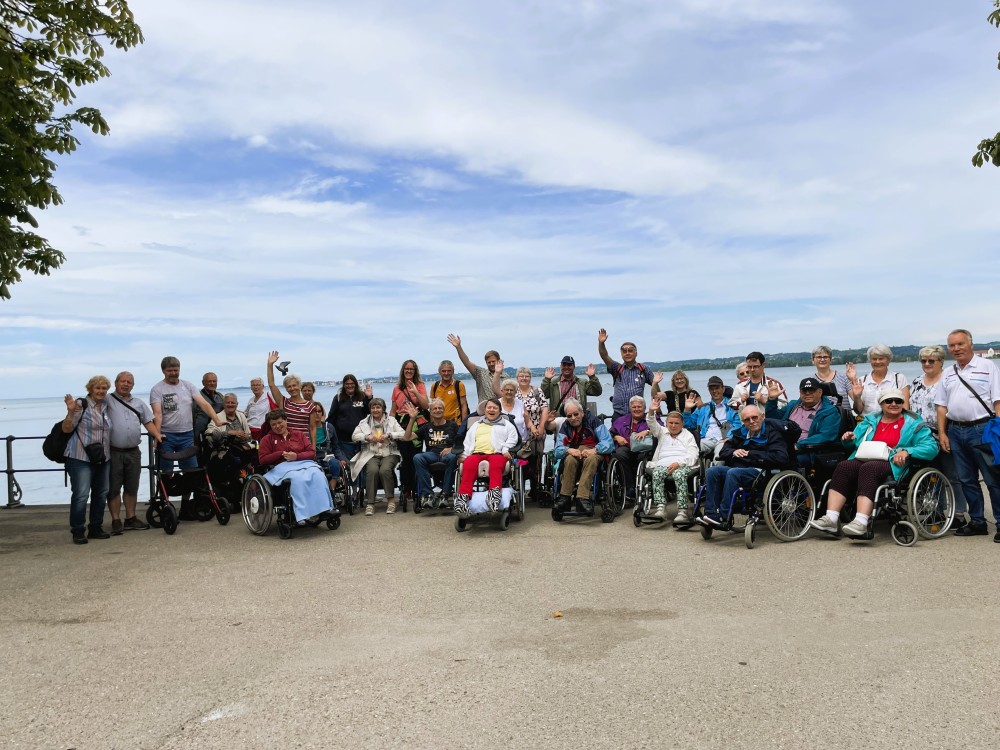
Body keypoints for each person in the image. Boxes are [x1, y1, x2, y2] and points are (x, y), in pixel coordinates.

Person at [811, 389, 939, 538]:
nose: (893, 404)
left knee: (869, 468)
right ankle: (831, 519)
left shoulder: (913, 422)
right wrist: (849, 438)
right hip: (865, 456)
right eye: (888, 401)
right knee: (844, 466)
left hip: (892, 462)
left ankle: (861, 521)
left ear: (903, 404)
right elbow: (854, 442)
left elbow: (931, 447)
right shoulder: (870, 420)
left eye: (898, 401)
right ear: (881, 404)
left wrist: (907, 451)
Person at [935, 329, 1000, 540]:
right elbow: (942, 406)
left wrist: (998, 428)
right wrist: (943, 432)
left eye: (960, 344)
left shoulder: (987, 367)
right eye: (952, 346)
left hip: (982, 429)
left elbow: (998, 401)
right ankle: (978, 522)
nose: (956, 349)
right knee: (966, 479)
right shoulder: (948, 372)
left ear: (970, 344)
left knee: (993, 479)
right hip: (955, 430)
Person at [698, 404, 789, 528]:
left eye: (754, 417)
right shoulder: (740, 433)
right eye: (747, 419)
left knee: (733, 473)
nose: (751, 422)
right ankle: (711, 514)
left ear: (762, 417)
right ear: (743, 421)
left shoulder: (773, 434)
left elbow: (781, 457)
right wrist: (733, 452)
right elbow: (724, 450)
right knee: (713, 471)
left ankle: (724, 517)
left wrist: (751, 454)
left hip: (761, 471)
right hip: (739, 469)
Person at [909, 345, 968, 528]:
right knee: (930, 476)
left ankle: (958, 513)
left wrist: (944, 432)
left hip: (945, 433)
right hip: (922, 437)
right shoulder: (917, 381)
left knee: (951, 473)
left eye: (931, 360)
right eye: (924, 360)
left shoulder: (948, 380)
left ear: (941, 361)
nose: (927, 364)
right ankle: (937, 510)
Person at [105, 371, 161, 534]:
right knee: (113, 488)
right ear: (115, 383)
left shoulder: (138, 403)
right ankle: (116, 520)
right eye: (122, 381)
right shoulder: (107, 400)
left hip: (133, 452)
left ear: (133, 385)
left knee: (131, 487)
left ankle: (130, 518)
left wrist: (157, 435)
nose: (126, 384)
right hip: (113, 451)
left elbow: (148, 422)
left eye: (129, 382)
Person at [256, 409, 335, 523]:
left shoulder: (298, 434)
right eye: (274, 424)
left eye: (280, 422)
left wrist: (296, 456)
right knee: (298, 479)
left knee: (317, 474)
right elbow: (262, 459)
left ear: (286, 421)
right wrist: (280, 454)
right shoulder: (267, 439)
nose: (277, 426)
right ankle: (303, 515)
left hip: (303, 463)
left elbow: (311, 452)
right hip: (282, 467)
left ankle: (324, 509)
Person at [61, 376, 113, 544]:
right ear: (90, 389)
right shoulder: (80, 405)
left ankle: (95, 527)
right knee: (81, 494)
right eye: (98, 388)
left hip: (102, 456)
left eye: (104, 388)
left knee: (101, 493)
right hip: (80, 457)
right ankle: (78, 530)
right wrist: (70, 412)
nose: (101, 391)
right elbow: (67, 428)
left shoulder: (105, 405)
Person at [150, 356, 225, 472]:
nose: (173, 373)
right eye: (170, 371)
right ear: (163, 371)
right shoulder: (157, 389)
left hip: (186, 435)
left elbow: (204, 404)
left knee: (191, 471)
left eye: (176, 370)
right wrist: (157, 435)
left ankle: (187, 490)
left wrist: (216, 420)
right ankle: (168, 489)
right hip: (166, 435)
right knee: (166, 472)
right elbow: (157, 414)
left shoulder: (188, 386)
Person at [454, 398, 519, 516]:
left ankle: (493, 497)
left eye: (495, 408)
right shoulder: (476, 424)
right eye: (489, 407)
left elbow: (513, 439)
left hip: (497, 453)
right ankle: (462, 502)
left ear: (500, 411)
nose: (492, 410)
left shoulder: (506, 424)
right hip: (476, 453)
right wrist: (464, 455)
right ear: (485, 410)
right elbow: (467, 442)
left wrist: (505, 449)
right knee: (468, 465)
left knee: (496, 465)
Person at [760, 377, 841, 465]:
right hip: (783, 446)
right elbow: (773, 420)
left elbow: (826, 436)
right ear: (800, 392)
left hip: (809, 451)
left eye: (811, 390)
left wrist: (799, 445)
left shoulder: (829, 411)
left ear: (820, 392)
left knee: (780, 460)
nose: (807, 393)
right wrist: (772, 400)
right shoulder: (792, 405)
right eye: (804, 390)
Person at [553, 398, 614, 513]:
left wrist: (595, 450)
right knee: (570, 459)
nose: (573, 418)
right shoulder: (565, 426)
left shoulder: (593, 421)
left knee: (591, 460)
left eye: (576, 414)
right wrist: (568, 450)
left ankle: (582, 498)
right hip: (575, 453)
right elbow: (557, 450)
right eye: (569, 416)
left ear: (582, 412)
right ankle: (565, 497)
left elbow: (608, 443)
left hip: (595, 452)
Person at [351, 397, 406, 516]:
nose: (375, 410)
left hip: (389, 452)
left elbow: (402, 433)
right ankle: (370, 503)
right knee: (372, 470)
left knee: (385, 470)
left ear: (383, 409)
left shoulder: (391, 420)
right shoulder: (364, 422)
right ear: (370, 409)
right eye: (373, 407)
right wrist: (366, 437)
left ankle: (391, 500)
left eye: (378, 407)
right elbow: (354, 436)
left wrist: (390, 435)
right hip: (372, 453)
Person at [645, 401, 699, 521]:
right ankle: (661, 508)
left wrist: (678, 463)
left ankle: (682, 511)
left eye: (676, 423)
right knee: (657, 473)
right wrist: (651, 411)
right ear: (666, 423)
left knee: (679, 475)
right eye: (670, 423)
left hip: (682, 464)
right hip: (662, 463)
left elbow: (693, 454)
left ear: (682, 424)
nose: (673, 426)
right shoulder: (662, 432)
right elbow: (652, 423)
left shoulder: (688, 435)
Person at [403, 399, 460, 508]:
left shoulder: (452, 425)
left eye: (440, 408)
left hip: (448, 455)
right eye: (435, 408)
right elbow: (407, 437)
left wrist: (451, 449)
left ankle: (445, 493)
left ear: (444, 410)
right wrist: (412, 419)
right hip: (432, 454)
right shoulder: (426, 427)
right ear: (430, 411)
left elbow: (462, 443)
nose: (437, 410)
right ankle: (428, 494)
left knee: (453, 457)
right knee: (417, 457)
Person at [388, 359, 429, 504]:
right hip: (401, 424)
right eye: (407, 369)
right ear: (403, 370)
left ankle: (416, 487)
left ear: (415, 370)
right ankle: (406, 488)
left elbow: (425, 405)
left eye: (412, 369)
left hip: (418, 424)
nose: (409, 371)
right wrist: (389, 428)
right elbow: (393, 410)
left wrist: (416, 392)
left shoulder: (420, 385)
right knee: (404, 457)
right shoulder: (397, 388)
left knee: (416, 457)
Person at [266, 351, 321, 447]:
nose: (292, 388)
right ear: (286, 389)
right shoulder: (284, 402)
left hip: (303, 444)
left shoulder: (310, 406)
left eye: (294, 385)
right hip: (286, 443)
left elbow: (312, 428)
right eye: (289, 387)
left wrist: (313, 449)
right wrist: (270, 365)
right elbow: (271, 384)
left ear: (299, 386)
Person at [597, 329, 653, 420]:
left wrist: (655, 406)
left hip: (637, 414)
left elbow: (655, 387)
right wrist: (601, 343)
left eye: (630, 350)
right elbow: (604, 356)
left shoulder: (644, 369)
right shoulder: (616, 368)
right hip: (619, 414)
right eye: (624, 351)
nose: (627, 353)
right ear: (621, 354)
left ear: (636, 353)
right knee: (615, 434)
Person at [683, 376, 741, 459]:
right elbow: (689, 425)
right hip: (706, 439)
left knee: (720, 454)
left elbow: (738, 425)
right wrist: (687, 410)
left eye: (717, 388)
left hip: (725, 439)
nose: (714, 391)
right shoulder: (703, 408)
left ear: (723, 389)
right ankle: (693, 471)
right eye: (711, 389)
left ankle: (714, 471)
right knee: (692, 449)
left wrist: (729, 437)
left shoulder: (733, 405)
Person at [610, 395, 651, 503]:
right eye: (634, 407)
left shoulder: (651, 419)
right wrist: (616, 437)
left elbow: (661, 429)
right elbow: (610, 433)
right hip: (626, 447)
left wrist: (647, 431)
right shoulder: (621, 420)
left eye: (639, 407)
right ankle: (629, 487)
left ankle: (642, 486)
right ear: (630, 408)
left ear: (645, 408)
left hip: (644, 449)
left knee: (644, 457)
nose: (637, 409)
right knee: (619, 454)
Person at [848, 344, 910, 416]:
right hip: (869, 424)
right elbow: (858, 411)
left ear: (888, 360)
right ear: (870, 361)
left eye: (881, 359)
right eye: (874, 359)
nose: (877, 362)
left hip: (893, 424)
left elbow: (905, 408)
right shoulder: (862, 380)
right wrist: (857, 397)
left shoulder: (899, 379)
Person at [540, 357, 603, 424]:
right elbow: (543, 396)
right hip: (559, 420)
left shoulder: (582, 382)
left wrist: (592, 377)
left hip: (578, 419)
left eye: (569, 365)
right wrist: (546, 380)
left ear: (574, 366)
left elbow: (597, 392)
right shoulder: (553, 383)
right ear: (561, 366)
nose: (566, 367)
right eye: (564, 365)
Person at [327, 374, 373, 461]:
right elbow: (331, 417)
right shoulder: (338, 398)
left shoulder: (362, 396)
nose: (349, 385)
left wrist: (369, 397)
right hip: (344, 441)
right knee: (349, 467)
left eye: (352, 383)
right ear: (344, 385)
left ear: (355, 384)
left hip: (362, 440)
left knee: (362, 468)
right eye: (347, 384)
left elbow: (371, 412)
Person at [446, 333, 500, 402]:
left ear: (498, 361)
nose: (491, 364)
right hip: (483, 411)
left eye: (493, 361)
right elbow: (467, 362)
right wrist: (458, 347)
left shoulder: (505, 377)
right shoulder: (481, 373)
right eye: (489, 362)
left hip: (500, 410)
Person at [192, 372, 224, 441]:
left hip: (217, 431)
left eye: (214, 381)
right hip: (200, 433)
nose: (212, 383)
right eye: (209, 381)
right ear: (203, 383)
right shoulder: (197, 397)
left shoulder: (220, 396)